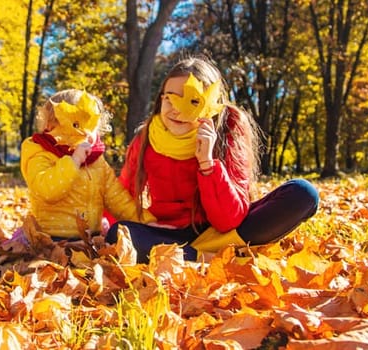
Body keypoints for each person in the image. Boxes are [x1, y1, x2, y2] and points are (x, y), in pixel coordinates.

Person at [109, 57, 319, 263]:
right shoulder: (147, 138)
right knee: (116, 234)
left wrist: (207, 164)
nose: (177, 108)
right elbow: (121, 196)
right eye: (170, 97)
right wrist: (100, 226)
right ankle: (208, 257)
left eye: (192, 101)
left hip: (225, 233)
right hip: (167, 234)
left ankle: (192, 256)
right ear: (160, 99)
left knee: (303, 193)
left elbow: (228, 220)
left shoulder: (228, 127)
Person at [20, 89, 153, 242]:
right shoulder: (40, 153)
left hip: (89, 239)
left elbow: (118, 199)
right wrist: (73, 161)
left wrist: (147, 221)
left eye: (91, 126)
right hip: (51, 238)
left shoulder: (96, 161)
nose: (86, 133)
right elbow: (47, 190)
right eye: (75, 125)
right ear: (50, 126)